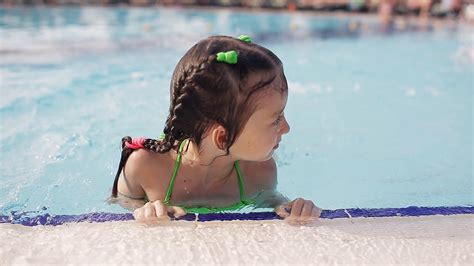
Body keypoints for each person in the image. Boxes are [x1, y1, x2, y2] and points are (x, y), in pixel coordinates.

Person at [111, 35, 321, 224]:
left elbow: (268, 199)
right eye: (276, 119)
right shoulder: (145, 166)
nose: (286, 128)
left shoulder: (260, 170)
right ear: (223, 137)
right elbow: (122, 201)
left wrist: (288, 206)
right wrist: (141, 209)